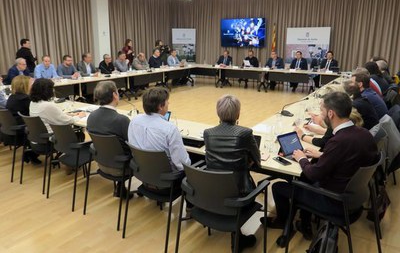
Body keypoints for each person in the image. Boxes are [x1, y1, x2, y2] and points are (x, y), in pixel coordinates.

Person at [265, 92, 378, 245]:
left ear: (331, 114)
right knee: (303, 177)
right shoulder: (364, 134)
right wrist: (322, 155)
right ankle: (304, 223)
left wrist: (302, 158)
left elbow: (314, 175)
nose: (321, 115)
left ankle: (284, 224)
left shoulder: (338, 141)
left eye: (322, 111)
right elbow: (347, 158)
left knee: (280, 187)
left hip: (335, 201)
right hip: (355, 197)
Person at [203, 94, 261, 251]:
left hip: (213, 191)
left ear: (218, 112)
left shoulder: (208, 133)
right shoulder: (245, 133)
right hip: (241, 194)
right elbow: (258, 161)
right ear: (238, 114)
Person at [87, 81, 133, 199]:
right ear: (114, 95)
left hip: (101, 163)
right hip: (121, 168)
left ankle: (121, 188)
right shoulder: (121, 120)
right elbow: (133, 146)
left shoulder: (91, 116)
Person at [128, 87, 190, 171]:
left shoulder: (134, 121)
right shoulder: (170, 129)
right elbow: (182, 165)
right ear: (161, 106)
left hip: (141, 171)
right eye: (167, 101)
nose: (169, 103)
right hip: (166, 177)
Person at [5, 75, 41, 164]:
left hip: (12, 129)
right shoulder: (25, 99)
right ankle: (33, 152)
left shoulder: (12, 97)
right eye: (31, 84)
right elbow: (37, 113)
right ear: (24, 85)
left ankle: (31, 152)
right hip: (23, 130)